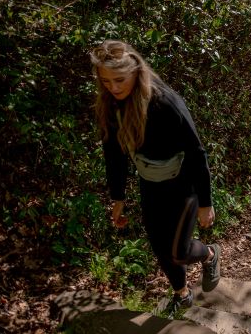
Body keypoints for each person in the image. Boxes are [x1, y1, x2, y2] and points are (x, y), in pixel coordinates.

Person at [90, 40, 220, 317]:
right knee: (160, 247)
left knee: (179, 252)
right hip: (150, 184)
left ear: (136, 71)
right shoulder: (111, 105)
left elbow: (196, 151)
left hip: (183, 184)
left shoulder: (165, 102)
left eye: (119, 79)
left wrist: (206, 203)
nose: (113, 87)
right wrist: (118, 197)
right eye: (106, 81)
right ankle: (181, 295)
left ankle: (209, 255)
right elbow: (113, 153)